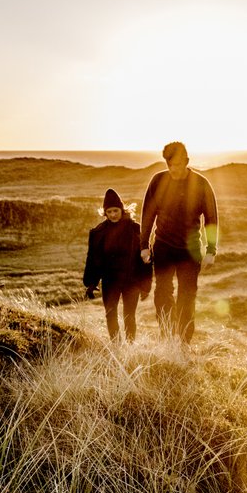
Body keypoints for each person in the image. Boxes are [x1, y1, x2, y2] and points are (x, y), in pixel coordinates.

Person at [140, 141, 219, 344]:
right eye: (169, 165)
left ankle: (183, 342)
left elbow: (211, 218)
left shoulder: (201, 184)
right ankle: (167, 336)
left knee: (187, 296)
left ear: (186, 161)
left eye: (176, 164)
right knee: (163, 294)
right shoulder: (158, 181)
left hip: (190, 250)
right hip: (164, 246)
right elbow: (148, 214)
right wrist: (144, 246)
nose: (173, 169)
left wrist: (211, 250)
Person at [83, 188, 149, 343]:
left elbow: (146, 258)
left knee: (129, 315)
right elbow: (92, 258)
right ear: (105, 212)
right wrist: (91, 283)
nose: (113, 214)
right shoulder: (98, 233)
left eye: (116, 210)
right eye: (109, 211)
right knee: (110, 314)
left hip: (131, 281)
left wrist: (146, 284)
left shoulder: (136, 229)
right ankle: (116, 345)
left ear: (122, 209)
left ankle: (131, 346)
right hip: (110, 281)